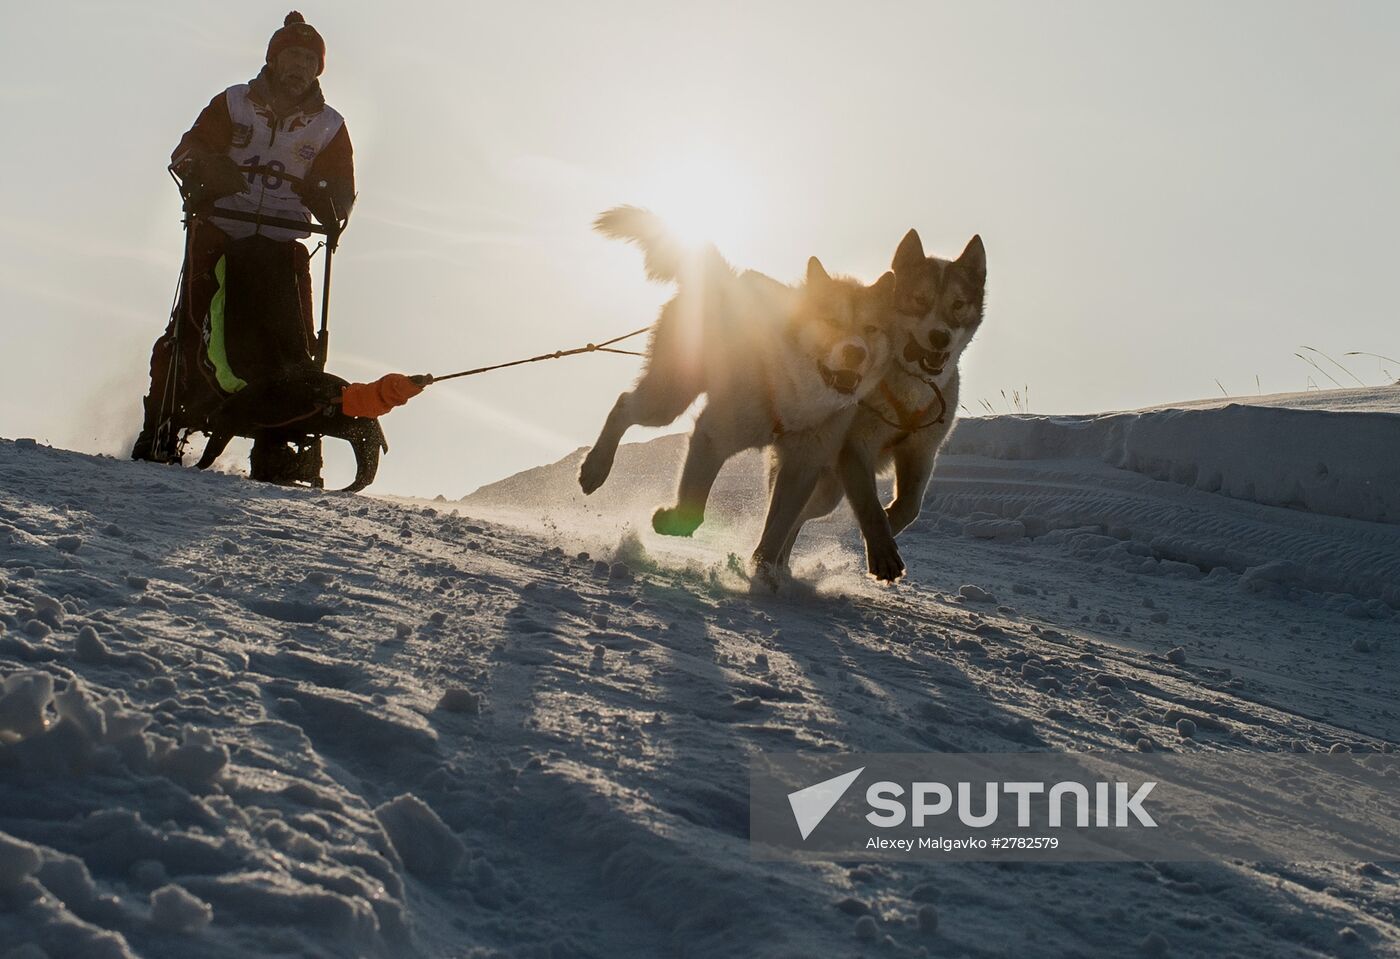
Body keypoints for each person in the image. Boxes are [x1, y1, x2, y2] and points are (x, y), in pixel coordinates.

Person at [132, 10, 355, 476]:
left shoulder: (329, 126)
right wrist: (209, 168)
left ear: (318, 70)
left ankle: (280, 439)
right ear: (274, 59)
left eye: (309, 60)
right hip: (221, 231)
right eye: (292, 55)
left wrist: (327, 199)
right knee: (194, 326)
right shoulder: (234, 103)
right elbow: (187, 150)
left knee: (291, 344)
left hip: (281, 240)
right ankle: (163, 420)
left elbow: (342, 188)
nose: (299, 67)